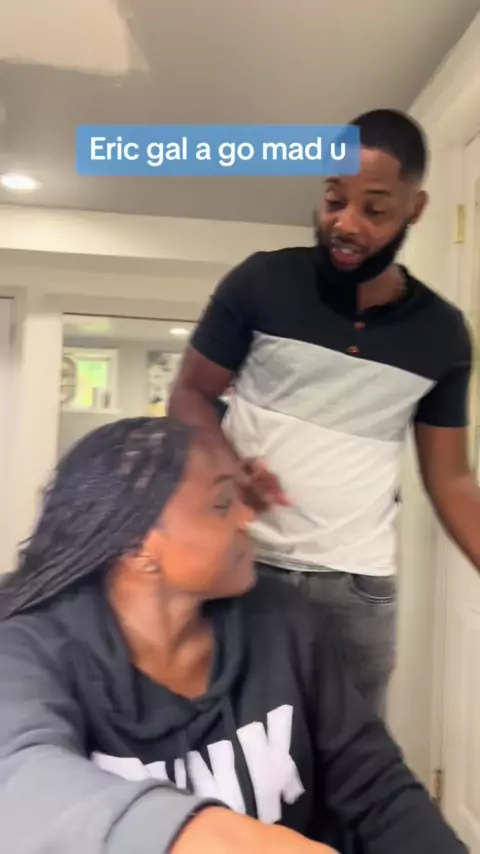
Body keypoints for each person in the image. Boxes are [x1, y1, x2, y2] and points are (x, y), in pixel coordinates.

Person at [0, 417, 466, 854]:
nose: (246, 517)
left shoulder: (282, 621)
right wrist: (210, 838)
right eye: (222, 504)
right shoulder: (28, 649)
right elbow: (18, 779)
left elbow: (375, 785)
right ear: (139, 547)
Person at [169, 108, 479, 717]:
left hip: (355, 592)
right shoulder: (262, 281)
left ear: (414, 209)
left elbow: (451, 479)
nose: (346, 223)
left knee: (350, 762)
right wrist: (226, 467)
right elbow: (190, 394)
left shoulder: (442, 335)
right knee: (222, 746)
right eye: (335, 200)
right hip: (240, 566)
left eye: (375, 209)